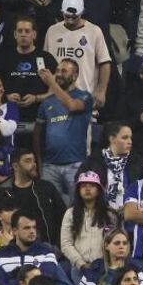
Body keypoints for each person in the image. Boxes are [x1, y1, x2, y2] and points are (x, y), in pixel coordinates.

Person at [34, 60, 95, 203]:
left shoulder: (85, 96)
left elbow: (72, 106)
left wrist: (51, 83)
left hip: (76, 164)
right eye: (57, 70)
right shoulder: (47, 103)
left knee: (77, 209)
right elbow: (37, 134)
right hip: (49, 166)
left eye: (64, 71)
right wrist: (40, 162)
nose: (59, 74)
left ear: (75, 76)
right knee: (50, 209)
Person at [0, 149, 66, 243]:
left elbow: (64, 217)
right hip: (14, 250)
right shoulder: (2, 192)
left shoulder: (47, 188)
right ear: (15, 166)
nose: (34, 164)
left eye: (34, 160)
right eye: (28, 161)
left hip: (48, 248)